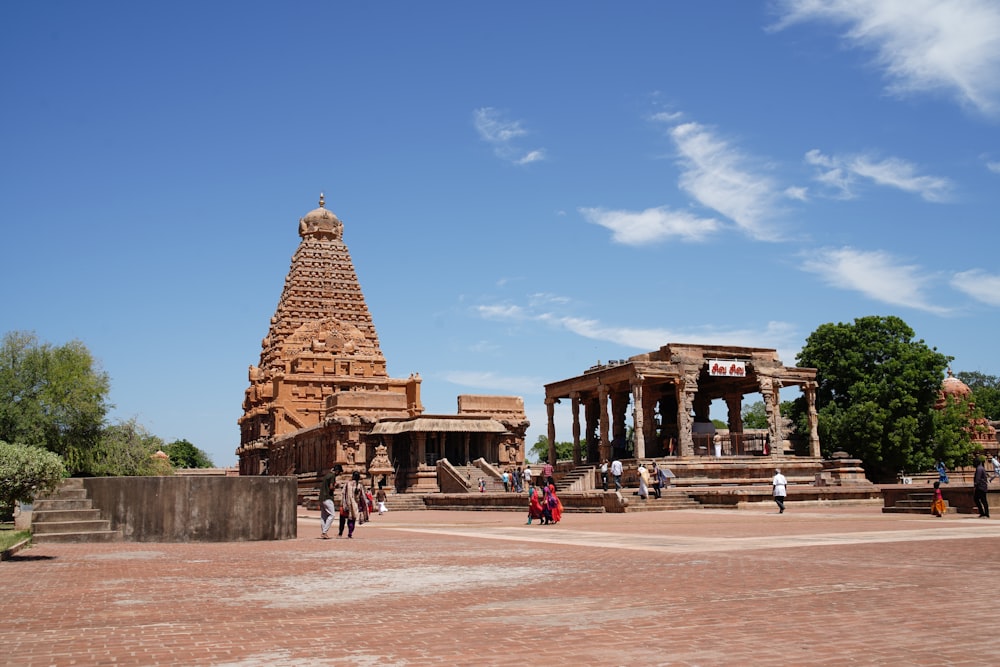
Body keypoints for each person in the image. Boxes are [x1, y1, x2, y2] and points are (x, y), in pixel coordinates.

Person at [338, 471, 367, 538]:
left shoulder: (348, 484)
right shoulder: (360, 486)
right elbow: (362, 497)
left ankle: (340, 533)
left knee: (342, 520)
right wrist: (363, 507)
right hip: (355, 506)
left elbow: (343, 494)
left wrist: (342, 503)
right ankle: (350, 533)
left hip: (346, 504)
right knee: (352, 520)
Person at [318, 471, 336, 539]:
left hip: (322, 498)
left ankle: (324, 531)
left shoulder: (326, 475)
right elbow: (331, 487)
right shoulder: (332, 476)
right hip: (327, 497)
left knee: (323, 516)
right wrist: (335, 487)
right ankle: (324, 532)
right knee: (332, 515)